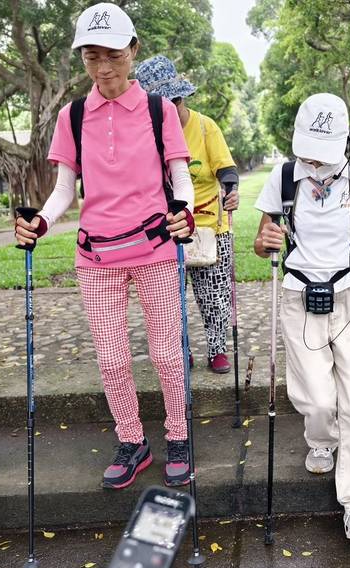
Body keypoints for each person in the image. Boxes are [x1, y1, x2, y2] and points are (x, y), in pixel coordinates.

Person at [14, 3, 196, 490]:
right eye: (93, 57)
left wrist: (183, 209)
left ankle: (178, 436)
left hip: (156, 248)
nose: (104, 68)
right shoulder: (73, 117)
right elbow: (64, 189)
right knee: (112, 357)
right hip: (97, 256)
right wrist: (40, 220)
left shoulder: (159, 110)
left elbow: (179, 172)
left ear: (133, 50)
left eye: (113, 55)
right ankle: (131, 440)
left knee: (166, 352)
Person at [253, 93, 350, 540]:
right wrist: (265, 240)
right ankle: (321, 438)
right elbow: (261, 242)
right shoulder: (283, 177)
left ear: (344, 142)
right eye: (309, 151)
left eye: (324, 153)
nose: (316, 162)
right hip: (299, 294)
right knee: (318, 400)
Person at [135, 54, 241, 374]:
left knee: (213, 295)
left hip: (210, 226)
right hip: (168, 229)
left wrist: (230, 189)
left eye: (174, 103)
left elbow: (226, 168)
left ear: (181, 99)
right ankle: (182, 349)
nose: (170, 111)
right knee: (170, 299)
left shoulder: (206, 127)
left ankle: (217, 349)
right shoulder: (147, 135)